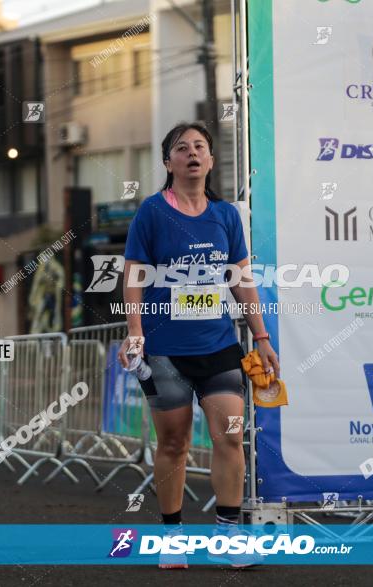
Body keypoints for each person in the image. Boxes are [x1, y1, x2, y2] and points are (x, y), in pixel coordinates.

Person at [119, 122, 280, 569]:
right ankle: (172, 537)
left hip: (219, 347)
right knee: (174, 444)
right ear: (168, 162)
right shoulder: (152, 213)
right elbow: (133, 276)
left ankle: (228, 536)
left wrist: (262, 338)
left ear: (210, 160)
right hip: (164, 350)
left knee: (230, 437)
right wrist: (135, 332)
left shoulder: (226, 215)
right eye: (181, 148)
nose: (192, 153)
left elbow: (242, 281)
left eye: (200, 147)